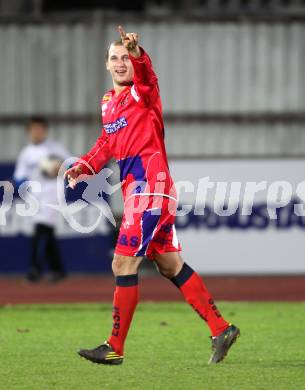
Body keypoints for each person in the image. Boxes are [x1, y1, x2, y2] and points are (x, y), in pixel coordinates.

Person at [65, 26, 240, 365]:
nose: (121, 63)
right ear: (106, 64)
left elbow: (146, 77)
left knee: (122, 262)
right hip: (145, 192)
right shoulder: (108, 103)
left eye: (125, 58)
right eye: (114, 58)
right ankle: (221, 327)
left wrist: (138, 54)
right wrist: (83, 166)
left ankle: (114, 346)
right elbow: (107, 144)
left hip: (151, 189)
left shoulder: (144, 94)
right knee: (169, 264)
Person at [14, 116, 69, 283]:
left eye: (40, 129)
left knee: (40, 231)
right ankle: (57, 269)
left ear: (45, 130)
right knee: (47, 232)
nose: (37, 132)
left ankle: (35, 269)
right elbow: (18, 177)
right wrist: (24, 183)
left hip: (53, 195)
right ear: (29, 132)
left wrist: (60, 167)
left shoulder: (55, 148)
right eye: (33, 129)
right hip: (35, 197)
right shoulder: (27, 153)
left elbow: (72, 164)